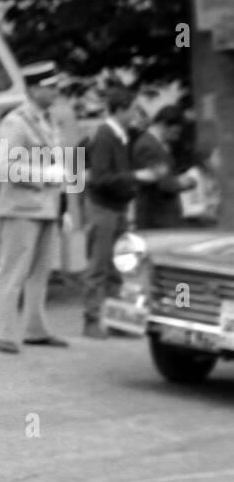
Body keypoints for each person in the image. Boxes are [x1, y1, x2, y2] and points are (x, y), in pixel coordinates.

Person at [0, 62, 70, 353]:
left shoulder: (48, 120)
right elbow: (3, 166)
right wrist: (43, 176)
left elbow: (58, 165)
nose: (55, 91)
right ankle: (4, 333)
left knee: (41, 272)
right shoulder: (16, 121)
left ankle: (35, 329)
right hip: (21, 207)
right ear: (34, 88)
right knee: (14, 272)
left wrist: (63, 205)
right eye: (50, 87)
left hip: (46, 206)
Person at [83, 85, 147, 339]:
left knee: (118, 266)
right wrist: (131, 178)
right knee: (99, 265)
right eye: (132, 109)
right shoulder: (105, 135)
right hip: (104, 207)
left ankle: (117, 321)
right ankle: (90, 320)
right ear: (121, 109)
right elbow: (99, 177)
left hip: (117, 206)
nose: (135, 114)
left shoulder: (121, 135)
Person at [131, 105, 191, 230]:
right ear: (163, 124)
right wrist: (185, 182)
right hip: (156, 220)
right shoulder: (148, 146)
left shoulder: (158, 145)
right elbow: (162, 183)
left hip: (163, 218)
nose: (177, 136)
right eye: (175, 132)